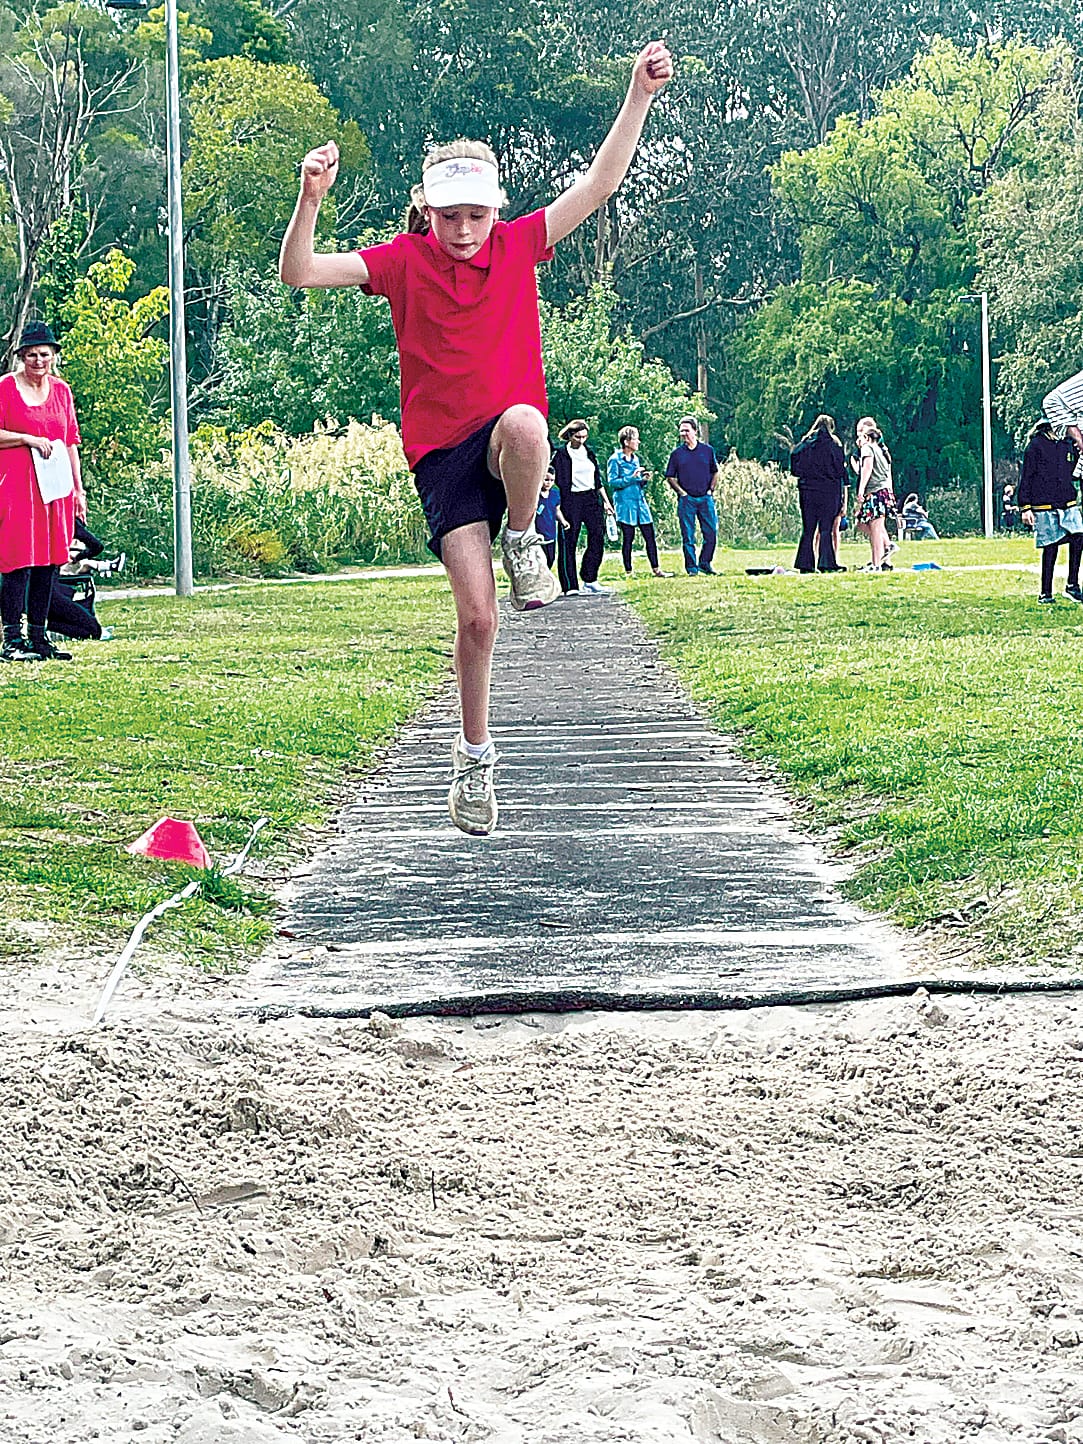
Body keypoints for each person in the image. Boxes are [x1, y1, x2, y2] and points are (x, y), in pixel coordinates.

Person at [279, 40, 673, 836]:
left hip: (506, 439)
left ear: (496, 211)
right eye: (450, 216)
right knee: (479, 622)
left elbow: (599, 184)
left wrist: (637, 95)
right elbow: (299, 272)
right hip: (440, 455)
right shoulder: (401, 262)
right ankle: (472, 758)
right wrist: (310, 197)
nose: (464, 231)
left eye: (477, 216)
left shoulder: (519, 244)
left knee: (529, 421)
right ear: (426, 211)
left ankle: (524, 538)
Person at [0, 321, 84, 662]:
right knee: (18, 561)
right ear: (22, 356)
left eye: (44, 355)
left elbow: (70, 442)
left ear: (53, 357)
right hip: (18, 486)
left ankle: (39, 636)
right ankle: (12, 639)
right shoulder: (5, 387)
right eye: (32, 355)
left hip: (55, 487)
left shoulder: (61, 391)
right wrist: (26, 438)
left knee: (49, 562)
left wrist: (78, 489)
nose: (38, 361)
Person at [1017, 419, 1083, 604]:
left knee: (1079, 537)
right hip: (1044, 505)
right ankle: (1045, 593)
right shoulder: (1035, 446)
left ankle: (1072, 585)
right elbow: (1027, 477)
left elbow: (1075, 470)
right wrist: (1025, 507)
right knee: (1051, 547)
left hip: (1067, 503)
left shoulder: (1067, 444)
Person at [552, 419, 615, 596]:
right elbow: (553, 477)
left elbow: (597, 481)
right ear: (570, 436)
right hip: (571, 499)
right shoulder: (561, 455)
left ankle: (590, 578)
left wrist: (606, 502)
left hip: (591, 497)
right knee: (569, 540)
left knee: (597, 535)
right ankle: (570, 584)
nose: (581, 440)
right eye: (578, 437)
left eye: (584, 437)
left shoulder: (589, 453)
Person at [607, 425, 668, 578]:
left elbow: (636, 482)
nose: (638, 442)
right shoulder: (615, 460)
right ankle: (628, 571)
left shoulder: (636, 459)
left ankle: (656, 569)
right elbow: (613, 482)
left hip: (639, 502)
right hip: (625, 503)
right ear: (626, 441)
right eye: (635, 439)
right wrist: (632, 477)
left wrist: (643, 480)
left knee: (649, 534)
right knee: (629, 537)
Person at [789, 414, 847, 573]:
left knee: (808, 528)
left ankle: (805, 564)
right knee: (826, 528)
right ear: (831, 428)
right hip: (828, 490)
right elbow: (841, 470)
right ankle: (826, 563)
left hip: (807, 489)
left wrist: (801, 473)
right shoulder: (834, 445)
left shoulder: (804, 444)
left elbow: (793, 459)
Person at [665, 416, 718, 575]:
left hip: (705, 498)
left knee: (711, 533)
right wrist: (682, 493)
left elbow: (715, 471)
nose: (683, 434)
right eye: (681, 431)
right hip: (687, 500)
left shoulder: (707, 451)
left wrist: (710, 490)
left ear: (695, 431)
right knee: (688, 536)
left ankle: (705, 563)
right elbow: (670, 476)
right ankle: (692, 568)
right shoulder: (677, 454)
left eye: (687, 430)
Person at [853, 417, 897, 572]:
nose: (857, 435)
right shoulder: (880, 449)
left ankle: (878, 562)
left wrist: (860, 491)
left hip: (875, 493)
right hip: (883, 492)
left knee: (876, 528)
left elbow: (867, 470)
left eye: (860, 432)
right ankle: (884, 550)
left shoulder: (868, 449)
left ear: (867, 434)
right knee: (866, 525)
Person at [535, 463, 565, 572]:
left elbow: (557, 509)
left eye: (552, 480)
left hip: (551, 533)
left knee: (550, 559)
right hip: (537, 535)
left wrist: (563, 521)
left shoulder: (555, 494)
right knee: (539, 562)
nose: (549, 483)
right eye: (546, 480)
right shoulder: (535, 495)